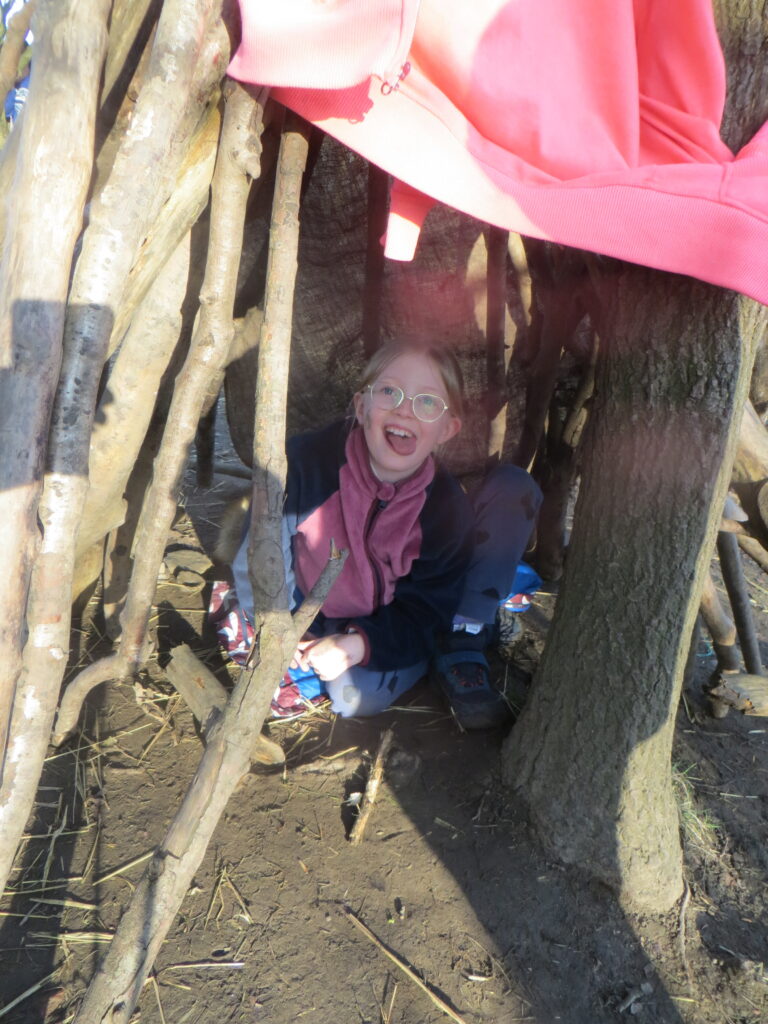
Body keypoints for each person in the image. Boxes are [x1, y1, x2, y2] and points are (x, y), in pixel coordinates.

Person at [210, 340, 541, 729]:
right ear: (361, 406)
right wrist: (283, 627)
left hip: (403, 617)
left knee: (361, 691)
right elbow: (263, 554)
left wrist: (361, 644)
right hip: (324, 613)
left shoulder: (444, 508)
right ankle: (436, 646)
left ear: (447, 430)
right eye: (389, 391)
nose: (405, 409)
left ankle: (464, 636)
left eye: (428, 402)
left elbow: (426, 608)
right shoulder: (303, 464)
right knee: (351, 700)